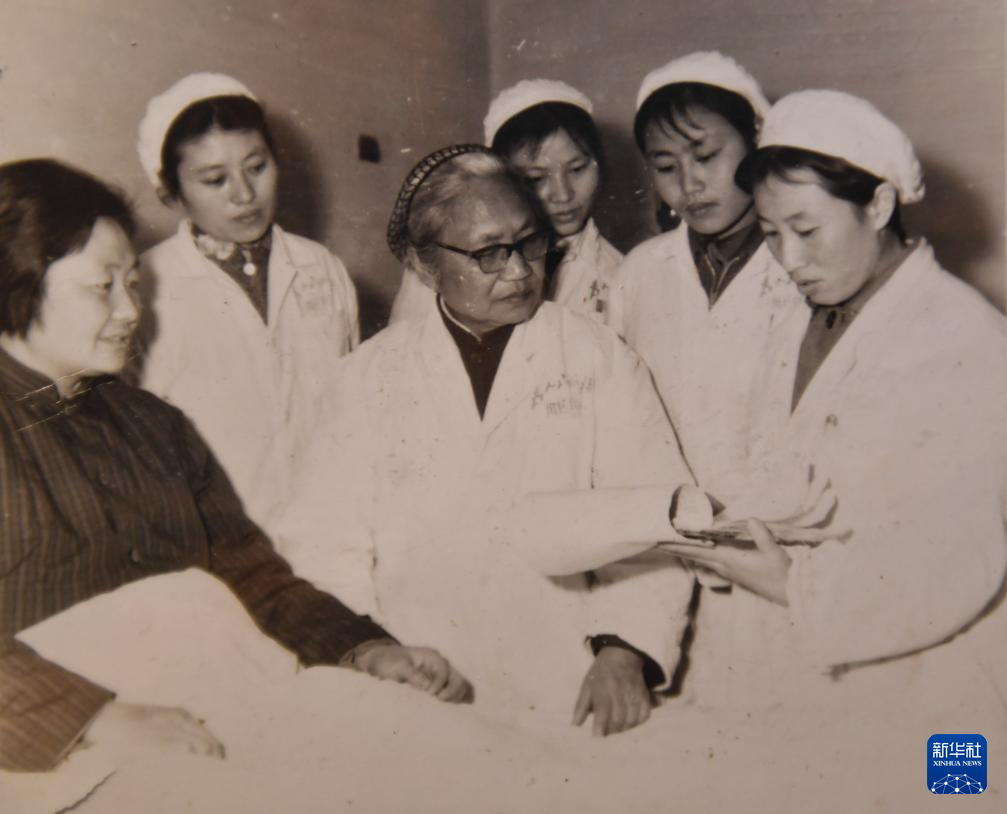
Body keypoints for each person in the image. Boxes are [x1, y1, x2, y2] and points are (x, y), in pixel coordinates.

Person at [0, 159, 470, 773]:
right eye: (101, 287)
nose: (130, 310)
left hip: (209, 703)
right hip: (48, 747)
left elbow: (252, 577)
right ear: (16, 283)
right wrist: (94, 719)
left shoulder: (153, 425)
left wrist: (363, 648)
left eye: (133, 284)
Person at [277, 145, 696, 736]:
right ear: (425, 264)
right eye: (489, 254)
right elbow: (321, 545)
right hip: (413, 686)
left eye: (530, 243)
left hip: (567, 683)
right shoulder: (366, 379)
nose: (520, 271)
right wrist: (370, 650)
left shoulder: (598, 358)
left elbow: (655, 523)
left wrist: (624, 651)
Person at [656, 90, 1007, 716]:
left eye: (807, 230)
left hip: (938, 685)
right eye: (770, 234)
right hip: (806, 678)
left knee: (952, 777)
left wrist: (797, 584)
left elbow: (961, 556)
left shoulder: (968, 340)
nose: (790, 260)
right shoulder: (801, 317)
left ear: (878, 205)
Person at [134, 73, 359, 535]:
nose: (244, 194)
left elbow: (353, 410)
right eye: (215, 179)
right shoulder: (144, 289)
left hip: (333, 534)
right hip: (215, 548)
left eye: (256, 167)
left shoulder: (321, 268)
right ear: (170, 192)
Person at [611, 52, 802, 502]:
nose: (689, 183)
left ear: (757, 142)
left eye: (706, 156)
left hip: (776, 521)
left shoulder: (805, 268)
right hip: (662, 522)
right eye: (665, 167)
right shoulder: (639, 271)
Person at [390, 80, 622, 327]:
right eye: (536, 178)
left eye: (577, 169)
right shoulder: (440, 264)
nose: (563, 195)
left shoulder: (618, 273)